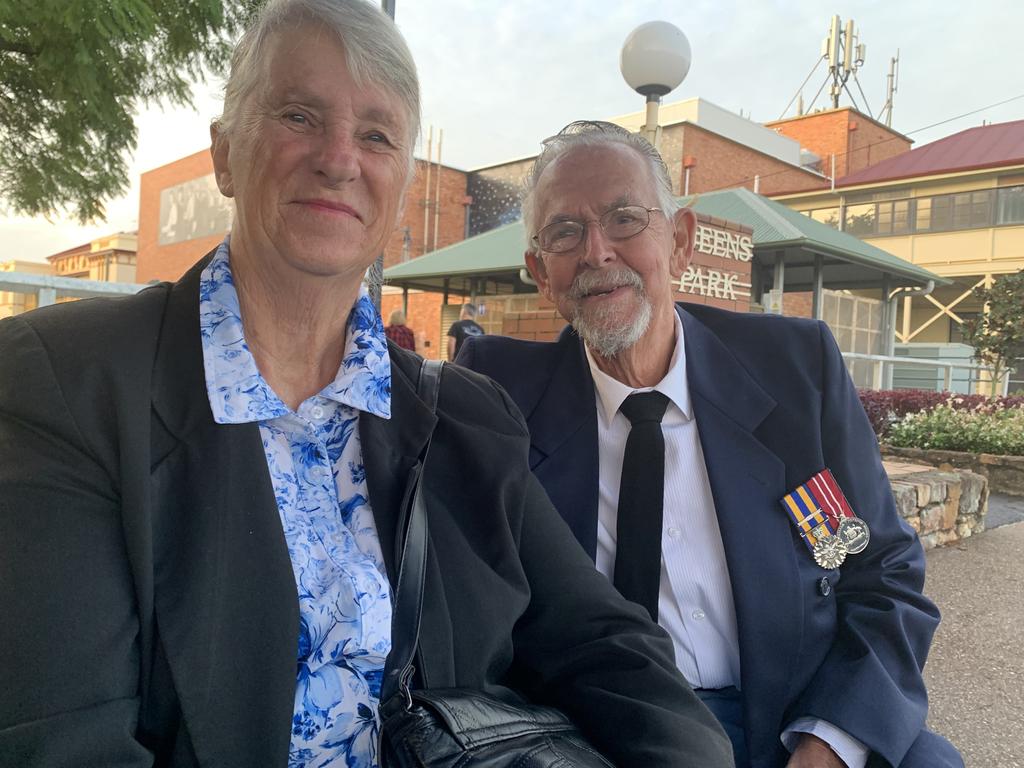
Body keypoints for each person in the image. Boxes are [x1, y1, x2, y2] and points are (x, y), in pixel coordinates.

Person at [0, 13, 733, 768]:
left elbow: (605, 644)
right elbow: (60, 738)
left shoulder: (467, 417)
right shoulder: (66, 385)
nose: (339, 159)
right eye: (298, 116)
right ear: (225, 155)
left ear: (402, 187)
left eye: (378, 135)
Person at [457, 121, 963, 768]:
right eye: (564, 232)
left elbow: (882, 573)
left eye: (624, 218)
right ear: (539, 272)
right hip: (598, 739)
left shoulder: (793, 371)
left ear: (681, 241)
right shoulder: (499, 398)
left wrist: (829, 742)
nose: (597, 252)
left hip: (785, 717)